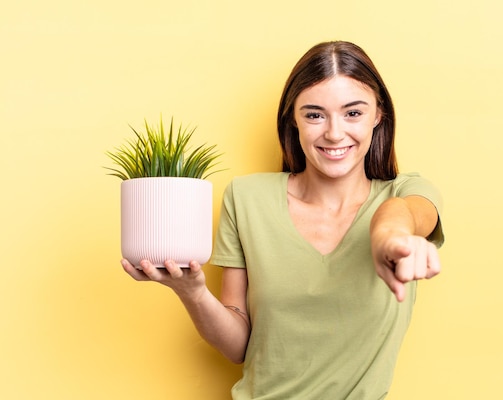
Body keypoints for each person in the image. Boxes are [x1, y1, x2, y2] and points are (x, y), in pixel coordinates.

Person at [122, 40, 444, 399]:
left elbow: (402, 216)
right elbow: (238, 347)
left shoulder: (405, 193)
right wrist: (193, 292)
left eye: (353, 113)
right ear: (293, 118)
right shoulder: (246, 198)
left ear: (378, 114)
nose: (334, 133)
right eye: (314, 114)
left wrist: (391, 237)